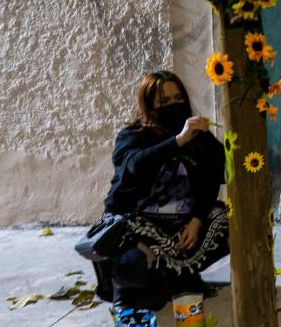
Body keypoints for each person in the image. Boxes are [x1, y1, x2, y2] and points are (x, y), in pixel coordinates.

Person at [91, 71, 229, 311]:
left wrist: (196, 220)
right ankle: (125, 287)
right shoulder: (133, 135)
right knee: (132, 267)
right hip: (137, 227)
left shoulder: (198, 137)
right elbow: (133, 166)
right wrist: (177, 141)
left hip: (181, 226)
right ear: (149, 105)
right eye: (164, 102)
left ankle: (182, 276)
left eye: (178, 99)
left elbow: (212, 178)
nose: (175, 106)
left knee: (230, 223)